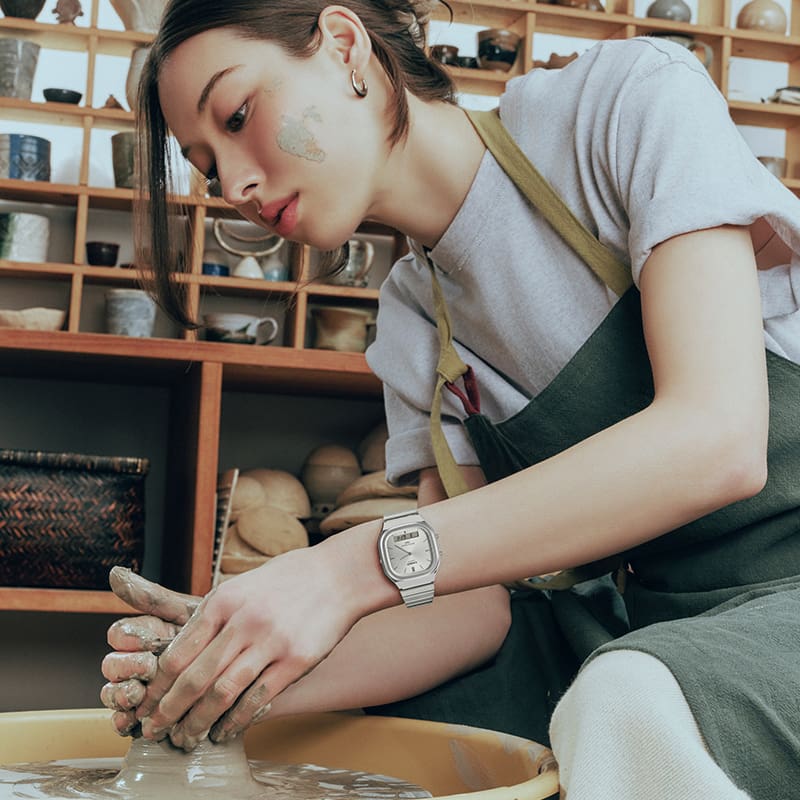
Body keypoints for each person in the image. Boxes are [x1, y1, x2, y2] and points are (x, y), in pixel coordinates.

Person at [100, 0, 800, 797]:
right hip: (667, 621)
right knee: (420, 718)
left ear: (342, 46)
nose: (238, 184)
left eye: (238, 114)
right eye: (207, 165)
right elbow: (468, 609)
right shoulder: (409, 325)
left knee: (627, 701)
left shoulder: (625, 104)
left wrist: (341, 572)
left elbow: (717, 439)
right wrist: (231, 665)